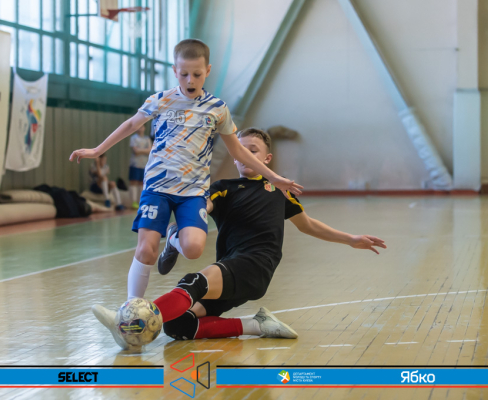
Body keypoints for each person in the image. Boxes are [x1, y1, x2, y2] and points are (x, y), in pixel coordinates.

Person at [92, 128, 386, 349]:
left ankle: (128, 323)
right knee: (179, 326)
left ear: (267, 159)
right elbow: (202, 208)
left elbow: (308, 225)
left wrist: (350, 239)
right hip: (231, 270)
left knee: (193, 282)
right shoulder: (224, 188)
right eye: (241, 151)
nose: (246, 155)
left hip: (255, 265)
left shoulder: (279, 190)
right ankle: (256, 325)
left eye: (253, 150)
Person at [70, 39, 303, 302]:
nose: (190, 80)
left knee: (193, 249)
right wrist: (97, 150)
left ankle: (173, 239)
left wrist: (274, 177)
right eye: (184, 74)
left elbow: (238, 151)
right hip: (157, 188)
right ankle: (132, 307)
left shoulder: (217, 109)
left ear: (208, 71)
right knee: (146, 250)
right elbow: (132, 124)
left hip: (192, 192)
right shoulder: (161, 100)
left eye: (197, 74)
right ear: (174, 70)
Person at [128, 124, 152, 209]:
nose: (140, 128)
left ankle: (141, 201)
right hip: (135, 164)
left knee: (142, 182)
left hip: (144, 164)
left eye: (142, 126)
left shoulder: (147, 139)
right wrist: (145, 150)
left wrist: (140, 150)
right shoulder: (133, 138)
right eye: (139, 126)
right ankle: (133, 202)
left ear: (144, 128)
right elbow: (135, 151)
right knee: (134, 182)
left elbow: (150, 150)